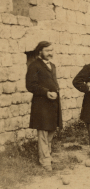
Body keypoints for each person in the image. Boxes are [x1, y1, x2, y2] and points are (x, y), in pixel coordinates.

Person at [26, 41, 62, 172]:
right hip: (41, 104)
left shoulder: (52, 65)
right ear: (40, 51)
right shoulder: (34, 66)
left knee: (51, 130)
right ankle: (44, 160)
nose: (50, 53)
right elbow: (30, 85)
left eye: (52, 50)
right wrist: (46, 92)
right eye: (47, 51)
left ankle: (47, 154)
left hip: (53, 104)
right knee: (43, 132)